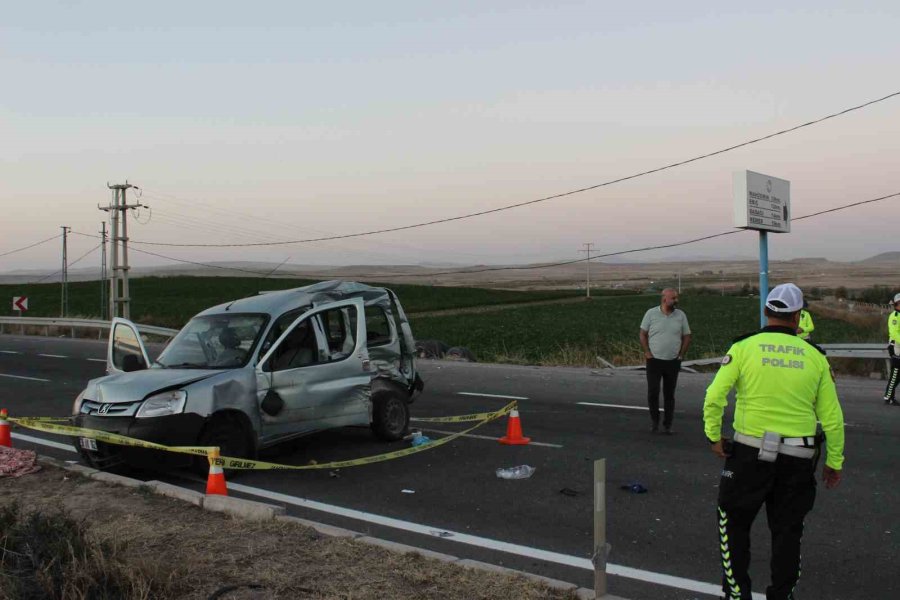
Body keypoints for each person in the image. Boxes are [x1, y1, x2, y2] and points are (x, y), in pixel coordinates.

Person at [703, 283, 844, 600]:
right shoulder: (816, 357)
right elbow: (833, 419)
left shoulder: (743, 347)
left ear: (766, 312)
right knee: (788, 531)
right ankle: (782, 595)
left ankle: (737, 594)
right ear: (797, 317)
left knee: (733, 523)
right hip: (797, 459)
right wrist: (834, 462)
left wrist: (713, 436)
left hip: (748, 454)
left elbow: (714, 397)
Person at [639, 288, 691, 434]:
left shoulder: (680, 315)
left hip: (672, 361)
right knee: (653, 392)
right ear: (664, 299)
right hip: (654, 361)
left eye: (676, 298)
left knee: (669, 394)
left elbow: (687, 336)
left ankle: (668, 425)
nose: (676, 301)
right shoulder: (651, 313)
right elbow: (642, 334)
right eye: (673, 298)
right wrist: (647, 352)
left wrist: (681, 355)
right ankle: (654, 421)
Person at [883, 292, 900, 405]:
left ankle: (890, 396)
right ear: (896, 304)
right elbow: (894, 333)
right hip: (895, 347)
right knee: (895, 373)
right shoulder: (895, 316)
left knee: (898, 374)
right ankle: (888, 397)